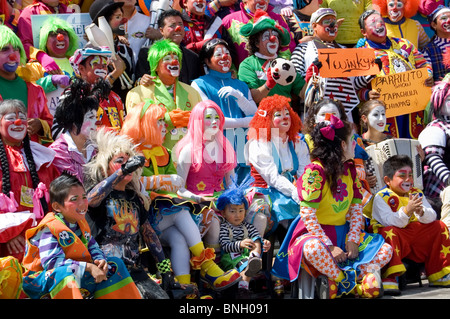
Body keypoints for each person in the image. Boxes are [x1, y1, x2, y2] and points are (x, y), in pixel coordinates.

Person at [120, 101, 241, 293]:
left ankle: (187, 291)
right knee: (181, 211)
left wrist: (166, 183)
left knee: (179, 240)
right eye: (159, 121)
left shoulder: (165, 153)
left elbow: (176, 185)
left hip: (163, 220)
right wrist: (161, 181)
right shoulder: (131, 156)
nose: (165, 126)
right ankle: (208, 266)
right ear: (144, 124)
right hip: (142, 221)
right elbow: (134, 184)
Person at [272, 114, 393, 299]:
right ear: (342, 146)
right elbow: (307, 215)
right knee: (312, 250)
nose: (356, 145)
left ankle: (344, 280)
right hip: (315, 235)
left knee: (386, 249)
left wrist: (352, 238)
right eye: (352, 140)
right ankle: (346, 281)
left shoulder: (350, 170)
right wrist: (329, 246)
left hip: (343, 233)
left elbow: (355, 209)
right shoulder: (315, 171)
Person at [84, 127, 188, 299]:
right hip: (107, 271)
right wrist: (122, 171)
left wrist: (165, 271)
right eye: (120, 160)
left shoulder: (135, 198)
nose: (127, 164)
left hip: (135, 271)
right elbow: (90, 200)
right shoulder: (99, 193)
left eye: (129, 161)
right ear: (104, 168)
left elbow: (149, 235)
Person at [21, 172, 142, 299]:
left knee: (114, 264)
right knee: (63, 273)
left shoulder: (80, 223)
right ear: (57, 206)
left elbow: (93, 246)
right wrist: (88, 267)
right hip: (42, 282)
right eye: (74, 199)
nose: (82, 203)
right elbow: (53, 264)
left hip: (75, 273)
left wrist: (100, 261)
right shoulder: (49, 228)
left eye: (84, 197)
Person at [370, 154, 450, 295]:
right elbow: (389, 220)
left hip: (416, 236)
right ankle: (390, 277)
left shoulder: (417, 193)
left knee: (439, 226)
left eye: (410, 175)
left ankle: (439, 273)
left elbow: (432, 216)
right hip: (397, 237)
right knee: (389, 231)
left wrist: (421, 212)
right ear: (387, 180)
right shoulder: (381, 197)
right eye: (402, 175)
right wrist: (407, 211)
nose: (408, 179)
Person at [291, 7, 379, 121]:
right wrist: (312, 76)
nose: (332, 25)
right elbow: (294, 79)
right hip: (316, 113)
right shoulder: (303, 49)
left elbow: (353, 85)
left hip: (344, 114)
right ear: (314, 26)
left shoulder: (345, 51)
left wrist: (371, 71)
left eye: (334, 21)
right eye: (326, 22)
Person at [174, 100, 237, 257]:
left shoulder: (225, 147)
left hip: (221, 201)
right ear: (198, 120)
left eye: (217, 117)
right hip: (196, 204)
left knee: (247, 213)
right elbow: (178, 188)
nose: (214, 121)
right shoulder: (188, 150)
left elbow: (231, 183)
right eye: (209, 117)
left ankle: (240, 261)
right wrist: (197, 197)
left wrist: (237, 197)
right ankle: (212, 269)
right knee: (214, 222)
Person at [359, 9, 433, 139]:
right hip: (384, 113)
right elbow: (354, 85)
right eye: (373, 23)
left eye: (380, 21)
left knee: (414, 146)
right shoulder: (361, 53)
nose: (379, 25)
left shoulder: (404, 44)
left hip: (413, 108)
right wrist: (366, 94)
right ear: (363, 32)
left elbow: (423, 63)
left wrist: (427, 75)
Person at [0, 99, 60, 260]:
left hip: (43, 237)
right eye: (11, 117)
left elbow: (57, 194)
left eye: (22, 117)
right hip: (9, 244)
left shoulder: (40, 156)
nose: (18, 122)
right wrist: (8, 234)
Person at [192, 38, 258, 183]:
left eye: (227, 53)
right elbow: (210, 121)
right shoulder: (199, 84)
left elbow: (256, 115)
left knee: (244, 191)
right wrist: (245, 121)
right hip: (215, 146)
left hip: (243, 145)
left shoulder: (241, 85)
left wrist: (239, 97)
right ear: (207, 61)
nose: (225, 57)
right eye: (218, 54)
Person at [245, 94, 310, 236]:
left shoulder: (298, 143)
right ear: (267, 119)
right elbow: (272, 178)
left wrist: (304, 191)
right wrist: (295, 193)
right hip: (265, 192)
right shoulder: (259, 144)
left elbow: (305, 173)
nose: (285, 117)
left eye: (287, 113)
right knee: (284, 213)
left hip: (291, 191)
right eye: (278, 115)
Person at [126, 39, 202, 151]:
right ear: (156, 66)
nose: (174, 62)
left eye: (176, 59)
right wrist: (167, 119)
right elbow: (134, 128)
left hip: (188, 156)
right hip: (156, 157)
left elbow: (202, 122)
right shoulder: (138, 93)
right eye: (167, 59)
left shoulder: (192, 92)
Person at [216, 175, 272, 298]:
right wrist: (240, 244)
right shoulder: (225, 227)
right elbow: (225, 245)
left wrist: (264, 243)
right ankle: (243, 287)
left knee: (256, 239)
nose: (238, 215)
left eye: (241, 210)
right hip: (230, 258)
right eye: (233, 211)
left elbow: (256, 237)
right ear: (223, 213)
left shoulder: (247, 226)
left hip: (246, 255)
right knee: (245, 263)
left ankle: (255, 257)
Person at [237, 10, 306, 106]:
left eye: (276, 35)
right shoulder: (247, 65)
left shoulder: (285, 64)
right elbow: (251, 98)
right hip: (262, 117)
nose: (272, 38)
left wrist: (312, 80)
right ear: (256, 43)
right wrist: (268, 85)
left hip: (285, 117)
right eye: (266, 36)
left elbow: (304, 93)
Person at [0, 25, 53, 144]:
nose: (12, 55)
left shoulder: (35, 90)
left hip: (29, 156)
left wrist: (40, 125)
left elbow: (49, 122)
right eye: (4, 49)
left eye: (16, 49)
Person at [17, 16, 78, 118]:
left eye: (64, 34)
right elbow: (27, 89)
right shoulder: (36, 66)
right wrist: (50, 81)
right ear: (45, 40)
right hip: (48, 121)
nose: (60, 37)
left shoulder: (77, 65)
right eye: (53, 34)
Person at [49, 77, 107, 182]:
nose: (96, 122)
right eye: (90, 117)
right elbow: (77, 188)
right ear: (75, 121)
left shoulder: (95, 148)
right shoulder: (58, 152)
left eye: (96, 117)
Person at [135, 9, 204, 85]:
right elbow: (139, 80)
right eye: (172, 25)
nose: (178, 28)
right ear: (161, 31)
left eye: (180, 24)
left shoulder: (193, 57)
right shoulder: (147, 52)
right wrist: (141, 81)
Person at [69, 44, 126, 134]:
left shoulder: (115, 97)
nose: (102, 68)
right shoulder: (73, 96)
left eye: (104, 65)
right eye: (95, 64)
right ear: (81, 69)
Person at [222, 0, 296, 67]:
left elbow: (287, 47)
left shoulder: (278, 19)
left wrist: (280, 68)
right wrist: (231, 70)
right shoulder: (229, 21)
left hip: (274, 74)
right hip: (241, 77)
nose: (262, 1)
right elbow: (222, 50)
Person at [89, 0, 136, 103]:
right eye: (118, 17)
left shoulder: (126, 48)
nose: (124, 20)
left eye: (122, 16)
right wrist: (115, 73)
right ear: (104, 22)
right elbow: (92, 92)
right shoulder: (90, 52)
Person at [418, 75, 450, 212]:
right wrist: (449, 180)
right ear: (439, 102)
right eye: (449, 100)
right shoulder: (436, 127)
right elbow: (432, 158)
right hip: (441, 191)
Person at [17, 0, 74, 73]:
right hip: (42, 71)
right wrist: (41, 57)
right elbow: (24, 44)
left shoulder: (68, 11)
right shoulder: (30, 12)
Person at [423, 5, 450, 82]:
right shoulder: (428, 50)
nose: (449, 20)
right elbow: (427, 75)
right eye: (444, 18)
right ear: (434, 25)